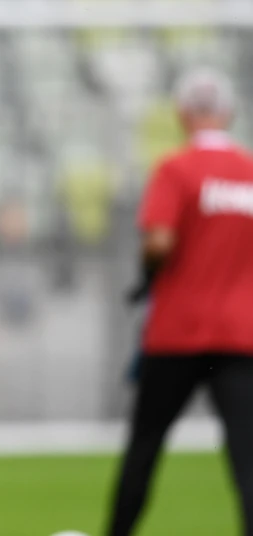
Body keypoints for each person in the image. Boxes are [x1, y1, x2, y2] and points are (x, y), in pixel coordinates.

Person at [107, 67, 253, 536]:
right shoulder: (249, 171)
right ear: (229, 113)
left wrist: (149, 275)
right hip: (240, 334)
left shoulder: (176, 169)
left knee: (145, 447)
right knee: (247, 456)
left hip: (177, 331)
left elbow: (160, 241)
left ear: (183, 114)